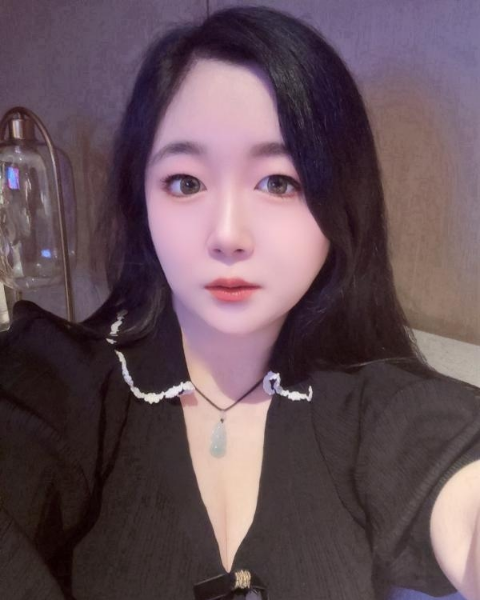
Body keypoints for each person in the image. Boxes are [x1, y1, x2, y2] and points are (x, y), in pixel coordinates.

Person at [0, 5, 479, 600]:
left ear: (342, 203)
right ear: (141, 201)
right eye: (186, 182)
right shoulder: (60, 381)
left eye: (279, 182)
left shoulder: (371, 402)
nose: (227, 235)